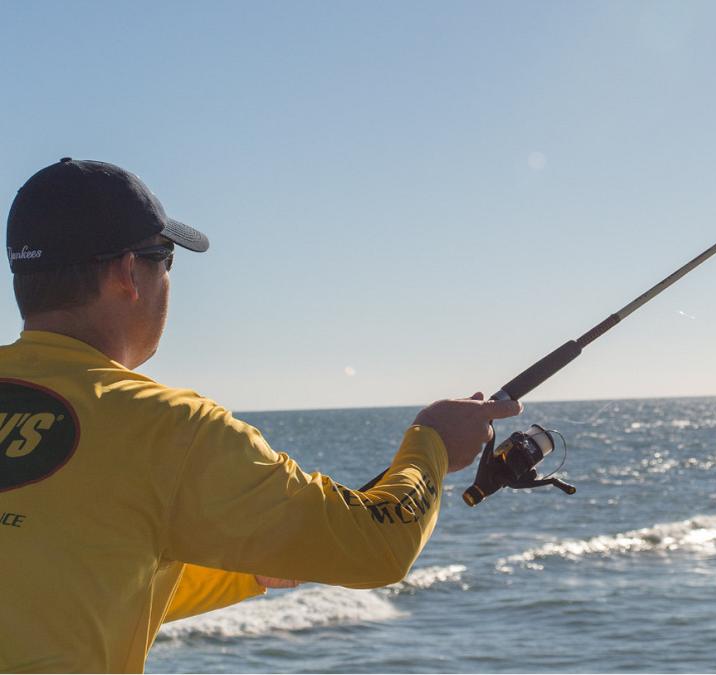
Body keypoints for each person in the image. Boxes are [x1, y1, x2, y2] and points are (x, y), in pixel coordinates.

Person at [0, 158, 523, 673]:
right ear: (128, 272)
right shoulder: (172, 428)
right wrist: (433, 443)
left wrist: (247, 571)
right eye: (166, 259)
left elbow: (77, 584)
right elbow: (378, 546)